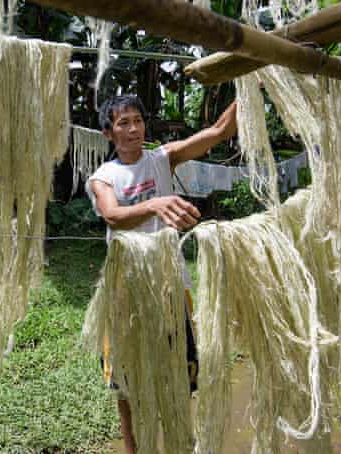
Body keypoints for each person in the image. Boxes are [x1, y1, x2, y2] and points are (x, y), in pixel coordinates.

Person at [86, 94, 237, 454]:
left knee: (179, 373)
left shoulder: (161, 159)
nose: (133, 129)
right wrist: (155, 204)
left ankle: (179, 443)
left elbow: (219, 130)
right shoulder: (103, 177)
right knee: (126, 381)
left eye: (137, 120)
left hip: (170, 288)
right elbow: (112, 216)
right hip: (126, 294)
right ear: (108, 133)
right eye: (123, 123)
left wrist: (254, 79)